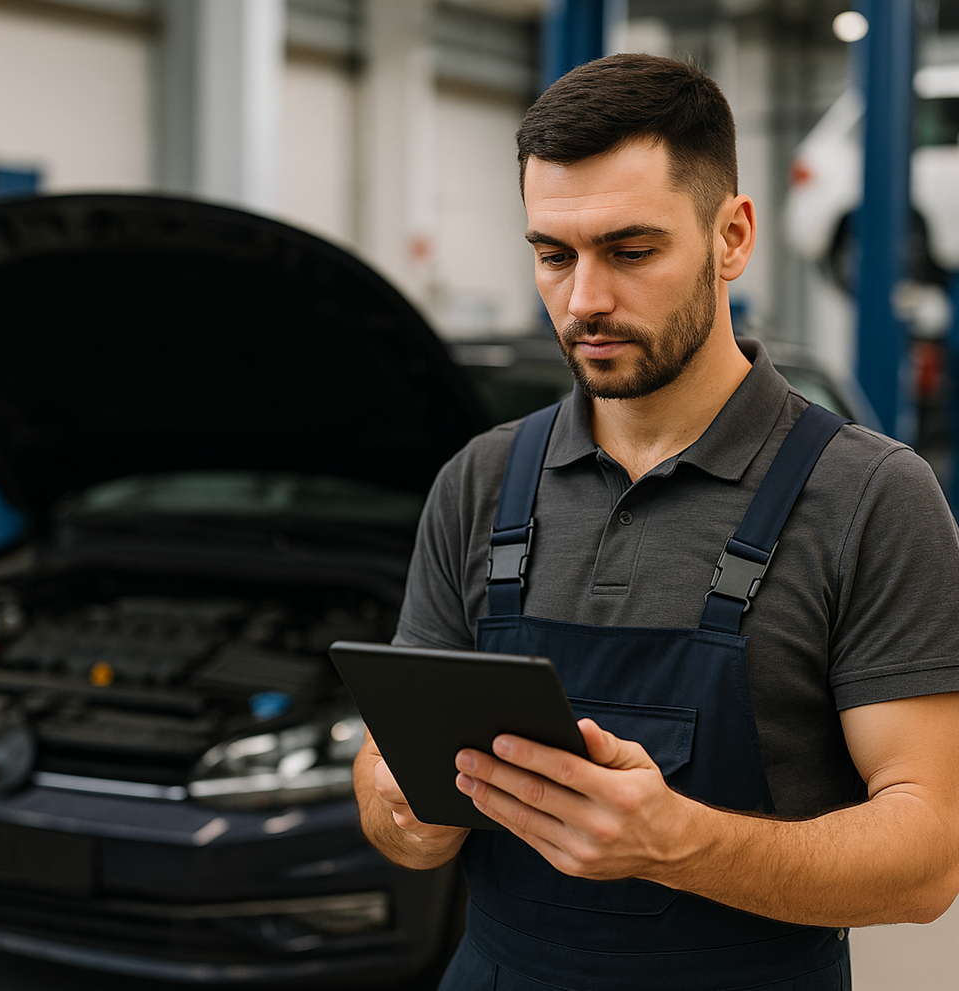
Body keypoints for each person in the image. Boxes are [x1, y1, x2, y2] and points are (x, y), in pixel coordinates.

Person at [353, 52, 959, 991]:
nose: (585, 300)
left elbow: (928, 859)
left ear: (732, 236)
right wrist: (402, 813)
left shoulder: (872, 497)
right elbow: (384, 772)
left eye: (631, 251)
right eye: (554, 255)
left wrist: (681, 842)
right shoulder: (479, 482)